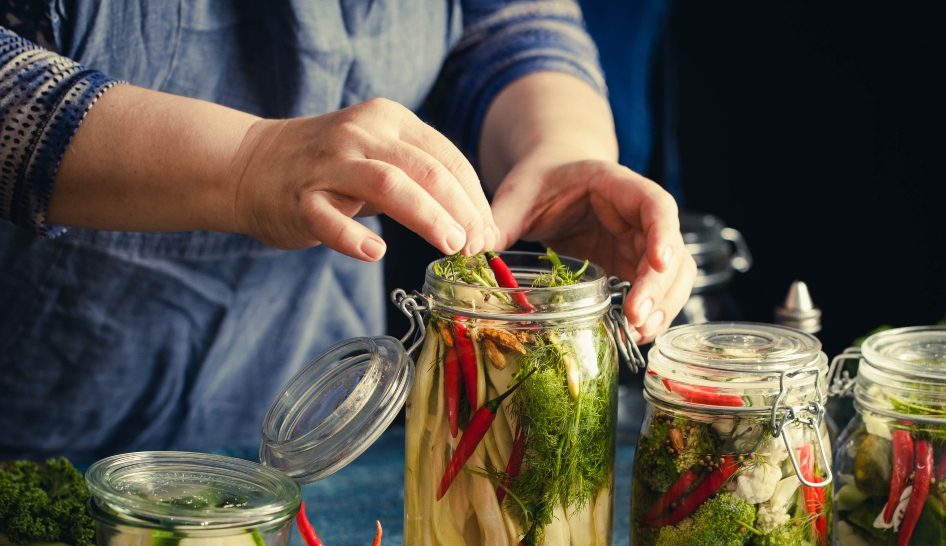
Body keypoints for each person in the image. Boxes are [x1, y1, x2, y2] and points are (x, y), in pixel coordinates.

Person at [0, 1, 695, 462]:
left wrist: (563, 149)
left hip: (318, 443)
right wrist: (244, 164)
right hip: (41, 438)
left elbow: (508, 21)